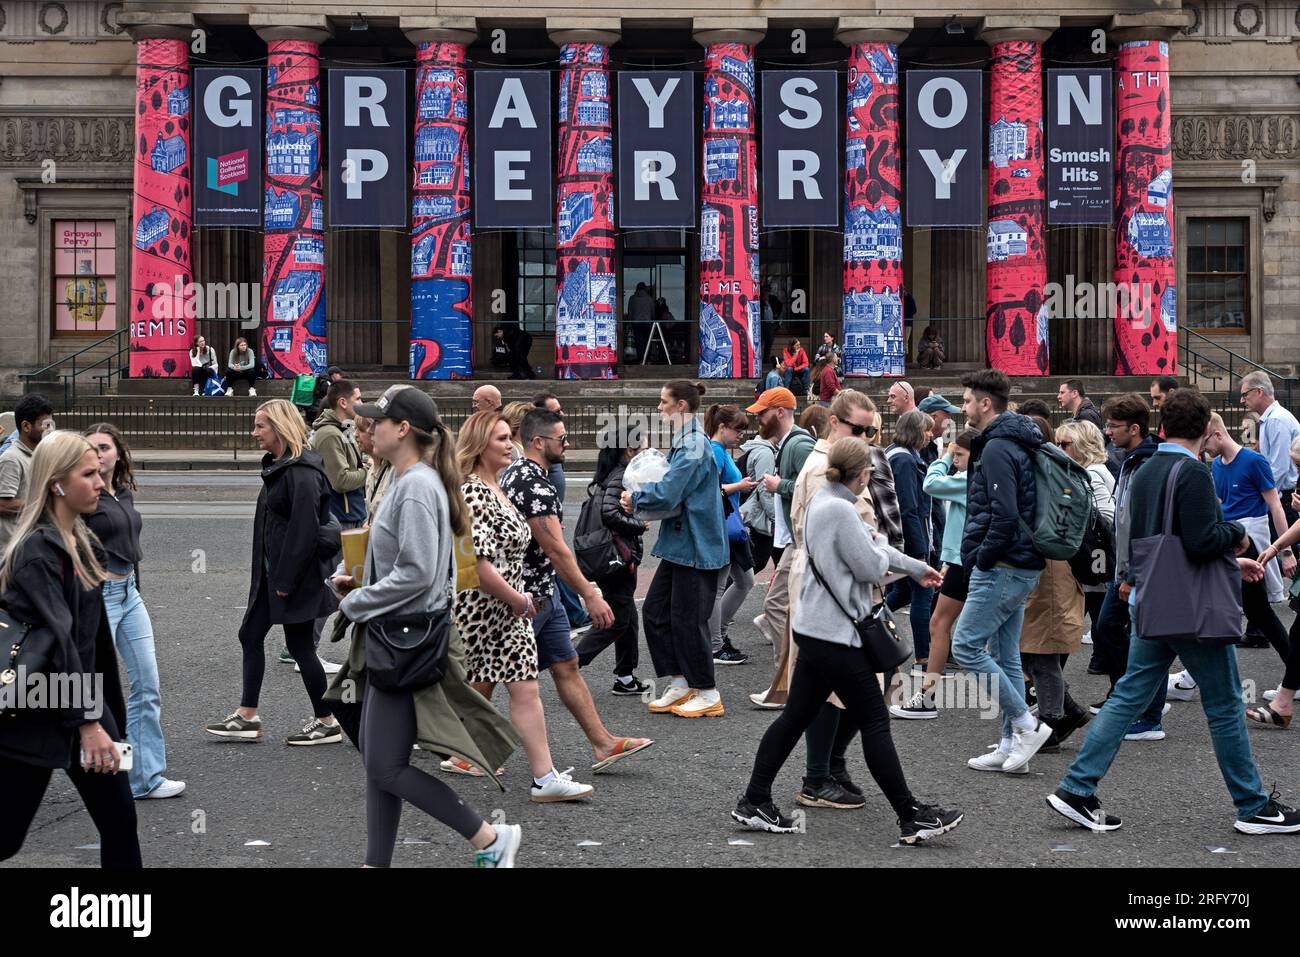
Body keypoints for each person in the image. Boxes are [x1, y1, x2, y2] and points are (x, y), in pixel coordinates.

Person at [1046, 387, 1300, 835]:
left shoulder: (1141, 469)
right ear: (1206, 429)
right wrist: (1237, 535)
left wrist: (1128, 578)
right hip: (1191, 608)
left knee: (1128, 695)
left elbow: (1151, 536)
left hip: (1154, 596)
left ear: (1162, 427)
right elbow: (1202, 539)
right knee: (1223, 705)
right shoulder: (1193, 472)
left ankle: (1075, 788)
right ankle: (1254, 806)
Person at [323, 389, 523, 867]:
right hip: (398, 636)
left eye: (378, 420)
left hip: (404, 641)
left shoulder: (414, 486)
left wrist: (357, 601)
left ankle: (490, 837)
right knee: (379, 765)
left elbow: (416, 574)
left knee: (385, 766)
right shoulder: (411, 479)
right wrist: (361, 581)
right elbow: (422, 568)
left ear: (403, 429)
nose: (369, 427)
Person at [731, 438, 962, 844]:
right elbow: (871, 565)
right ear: (861, 473)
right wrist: (893, 558)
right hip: (837, 635)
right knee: (874, 720)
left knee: (794, 717)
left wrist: (913, 567)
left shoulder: (826, 499)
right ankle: (911, 815)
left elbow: (873, 551)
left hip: (816, 628)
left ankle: (754, 800)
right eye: (870, 474)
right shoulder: (841, 508)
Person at [0, 431, 141, 868]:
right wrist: (90, 724)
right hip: (37, 712)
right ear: (57, 483)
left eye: (100, 473)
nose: (101, 482)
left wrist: (109, 723)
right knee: (5, 836)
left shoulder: (80, 541)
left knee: (119, 820)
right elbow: (62, 640)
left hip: (81, 706)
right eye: (89, 474)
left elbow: (91, 642)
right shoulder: (39, 552)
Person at [453, 410, 596, 798]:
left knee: (526, 689)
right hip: (483, 610)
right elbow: (477, 561)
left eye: (508, 436)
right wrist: (517, 597)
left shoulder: (497, 485)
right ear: (481, 445)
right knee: (455, 686)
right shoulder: (472, 491)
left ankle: (545, 777)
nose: (509, 443)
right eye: (500, 438)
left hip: (510, 608)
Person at [502, 410, 653, 760]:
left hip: (542, 591)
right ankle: (461, 747)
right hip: (528, 595)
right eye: (562, 438)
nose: (568, 443)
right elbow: (555, 548)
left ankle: (602, 743)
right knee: (493, 673)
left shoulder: (524, 474)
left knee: (566, 665)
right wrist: (589, 593)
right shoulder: (533, 483)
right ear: (538, 442)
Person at [775, 390, 891, 806]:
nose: (867, 438)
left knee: (838, 685)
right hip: (832, 589)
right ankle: (819, 774)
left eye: (872, 430)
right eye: (859, 429)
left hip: (836, 585)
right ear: (836, 422)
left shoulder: (839, 459)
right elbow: (844, 535)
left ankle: (827, 767)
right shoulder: (826, 465)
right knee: (832, 688)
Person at [204, 399, 344, 746]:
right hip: (274, 576)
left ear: (279, 428)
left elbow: (303, 532)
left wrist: (284, 581)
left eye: (260, 426)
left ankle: (326, 721)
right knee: (251, 635)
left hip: (291, 578)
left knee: (300, 647)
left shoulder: (302, 472)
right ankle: (248, 714)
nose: (254, 434)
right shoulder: (283, 466)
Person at [951, 370, 1054, 774]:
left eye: (967, 400)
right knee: (1006, 657)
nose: (963, 408)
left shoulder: (996, 447)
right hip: (1021, 562)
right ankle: (1013, 745)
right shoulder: (1018, 439)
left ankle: (1027, 726)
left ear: (985, 404)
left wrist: (982, 556)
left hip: (1004, 564)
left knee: (966, 647)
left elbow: (1004, 514)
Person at [1160, 414, 1295, 701]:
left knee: (1245, 612)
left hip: (1248, 546)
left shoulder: (1254, 461)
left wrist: (1285, 553)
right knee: (1250, 613)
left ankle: (1189, 679)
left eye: (1205, 440)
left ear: (1218, 435)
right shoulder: (1215, 466)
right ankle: (1190, 678)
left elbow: (1275, 505)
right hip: (1228, 544)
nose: (1202, 448)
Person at [82, 423, 184, 801]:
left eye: (105, 447)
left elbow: (130, 546)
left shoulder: (122, 492)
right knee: (101, 692)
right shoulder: (86, 498)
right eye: (91, 449)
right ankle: (109, 775)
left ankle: (145, 778)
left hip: (128, 595)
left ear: (119, 453)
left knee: (147, 685)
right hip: (99, 596)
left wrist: (134, 589)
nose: (99, 454)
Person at [626, 381, 730, 717]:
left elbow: (670, 492)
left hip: (696, 546)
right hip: (684, 544)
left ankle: (708, 691)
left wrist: (635, 499)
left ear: (681, 405)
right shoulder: (689, 442)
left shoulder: (694, 445)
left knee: (689, 620)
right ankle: (682, 682)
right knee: (655, 612)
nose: (659, 408)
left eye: (663, 401)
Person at [1087, 393, 1167, 737]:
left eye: (1113, 426)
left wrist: (1132, 574)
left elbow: (1144, 525)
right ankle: (1130, 697)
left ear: (1135, 428)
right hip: (1122, 567)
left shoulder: (1148, 461)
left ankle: (1150, 714)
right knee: (1107, 630)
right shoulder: (1130, 459)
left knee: (1149, 642)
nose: (1107, 432)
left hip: (1139, 570)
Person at [891, 428, 975, 719]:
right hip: (962, 559)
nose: (957, 460)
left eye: (961, 456)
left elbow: (931, 484)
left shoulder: (967, 480)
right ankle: (1036, 695)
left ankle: (927, 696)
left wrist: (944, 456)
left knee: (940, 625)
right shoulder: (982, 479)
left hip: (963, 562)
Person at [574, 415, 651, 697]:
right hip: (618, 558)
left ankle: (626, 676)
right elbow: (610, 513)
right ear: (629, 450)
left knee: (628, 616)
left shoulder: (614, 472)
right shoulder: (623, 475)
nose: (646, 453)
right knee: (617, 620)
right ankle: (570, 663)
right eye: (642, 448)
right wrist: (638, 526)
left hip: (616, 556)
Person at [750, 387, 816, 707]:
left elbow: (818, 485)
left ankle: (790, 682)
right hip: (795, 539)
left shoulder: (799, 444)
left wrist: (780, 485)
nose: (757, 419)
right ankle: (788, 682)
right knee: (782, 609)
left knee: (778, 608)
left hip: (801, 541)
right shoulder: (787, 443)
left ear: (779, 412)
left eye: (762, 412)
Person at [308, 378, 368, 666]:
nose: (361, 403)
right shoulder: (329, 434)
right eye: (358, 398)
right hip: (341, 517)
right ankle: (305, 650)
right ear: (342, 402)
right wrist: (368, 470)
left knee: (348, 583)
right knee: (334, 585)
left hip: (351, 515)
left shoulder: (342, 430)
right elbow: (340, 480)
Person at [704, 404, 758, 666]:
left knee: (744, 581)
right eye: (737, 430)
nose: (741, 436)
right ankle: (715, 644)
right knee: (722, 586)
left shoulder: (720, 450)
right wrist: (740, 485)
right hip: (724, 526)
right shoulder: (714, 450)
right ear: (722, 427)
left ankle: (718, 637)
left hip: (730, 525)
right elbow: (710, 489)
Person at [1055, 420, 1117, 650]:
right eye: (1057, 443)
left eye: (1065, 444)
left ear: (1082, 445)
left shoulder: (1091, 473)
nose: (1060, 449)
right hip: (1094, 557)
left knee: (1102, 623)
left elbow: (1107, 519)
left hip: (1096, 557)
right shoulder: (1087, 471)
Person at [884, 410, 937, 673]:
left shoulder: (898, 453)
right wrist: (919, 550)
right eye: (927, 430)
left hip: (904, 537)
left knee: (904, 592)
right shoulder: (904, 460)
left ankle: (866, 622)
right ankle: (923, 659)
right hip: (911, 539)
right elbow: (909, 507)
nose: (930, 434)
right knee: (922, 594)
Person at [1240, 370, 1300, 541]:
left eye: (1245, 394)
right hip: (1282, 497)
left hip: (1285, 499)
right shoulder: (1272, 419)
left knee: (1286, 555)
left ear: (1259, 391)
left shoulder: (1276, 420)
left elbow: (1278, 469)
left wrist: (1262, 499)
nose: (1242, 400)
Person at [0, 393, 54, 553]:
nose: (50, 430)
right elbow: (2, 504)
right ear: (26, 426)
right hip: (13, 554)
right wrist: (44, 502)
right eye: (45, 425)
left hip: (34, 547)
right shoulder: (11, 459)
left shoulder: (39, 456)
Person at [739, 424, 780, 575]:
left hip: (759, 511)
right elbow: (764, 489)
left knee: (769, 560)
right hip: (761, 513)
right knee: (757, 560)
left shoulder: (758, 448)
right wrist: (775, 517)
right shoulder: (765, 453)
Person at [626, 281, 656, 362]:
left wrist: (629, 323)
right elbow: (652, 312)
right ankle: (648, 359)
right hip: (647, 322)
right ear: (645, 288)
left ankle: (640, 359)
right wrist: (653, 321)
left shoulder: (632, 298)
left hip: (636, 322)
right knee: (647, 341)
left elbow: (630, 312)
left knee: (639, 341)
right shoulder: (649, 299)